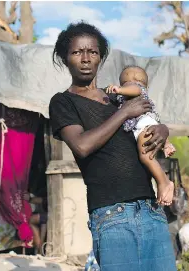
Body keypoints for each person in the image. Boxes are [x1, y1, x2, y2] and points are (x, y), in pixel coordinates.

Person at [48, 21, 178, 270]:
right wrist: (124, 113)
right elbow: (82, 146)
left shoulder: (118, 97)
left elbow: (145, 121)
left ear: (100, 58)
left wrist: (163, 130)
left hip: (150, 210)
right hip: (112, 215)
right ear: (65, 59)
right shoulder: (63, 102)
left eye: (93, 52)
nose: (85, 59)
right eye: (77, 52)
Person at [105, 66, 176, 206]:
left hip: (144, 125)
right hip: (147, 125)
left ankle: (164, 182)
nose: (130, 82)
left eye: (132, 81)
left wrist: (119, 89)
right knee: (149, 154)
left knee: (146, 156)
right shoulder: (126, 97)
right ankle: (167, 146)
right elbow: (158, 124)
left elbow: (135, 89)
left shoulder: (136, 90)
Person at [23, 191, 48, 255]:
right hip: (45, 216)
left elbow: (42, 200)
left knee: (31, 220)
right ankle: (39, 249)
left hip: (49, 216)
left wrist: (30, 199)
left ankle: (39, 249)